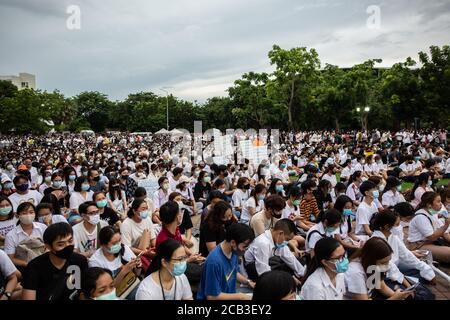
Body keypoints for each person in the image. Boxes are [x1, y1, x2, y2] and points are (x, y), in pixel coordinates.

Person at [22, 222, 88, 300]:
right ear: (48, 247)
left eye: (70, 241)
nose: (68, 246)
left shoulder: (80, 261)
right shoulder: (34, 267)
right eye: (60, 244)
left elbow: (84, 291)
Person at [371, 210, 436, 285]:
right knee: (412, 288)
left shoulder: (392, 237)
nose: (400, 227)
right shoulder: (376, 242)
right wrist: (406, 283)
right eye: (397, 224)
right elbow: (391, 267)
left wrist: (427, 270)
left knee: (424, 273)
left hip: (394, 269)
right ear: (386, 226)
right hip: (384, 276)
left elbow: (407, 255)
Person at [197, 223, 255, 300]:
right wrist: (241, 297)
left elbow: (233, 272)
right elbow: (212, 297)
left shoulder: (233, 251)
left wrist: (248, 282)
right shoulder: (214, 261)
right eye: (244, 246)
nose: (245, 250)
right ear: (233, 242)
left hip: (230, 293)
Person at [344, 237, 414, 300]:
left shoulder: (372, 265)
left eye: (388, 261)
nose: (386, 266)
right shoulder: (355, 273)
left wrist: (400, 296)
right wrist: (395, 297)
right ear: (370, 259)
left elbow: (381, 286)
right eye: (383, 263)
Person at [88, 226, 141, 299]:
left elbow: (137, 274)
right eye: (114, 243)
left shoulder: (123, 248)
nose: (118, 245)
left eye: (119, 240)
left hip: (132, 285)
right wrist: (123, 271)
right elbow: (106, 291)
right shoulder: (95, 262)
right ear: (103, 245)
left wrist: (138, 265)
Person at [407, 191, 450, 263]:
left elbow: (443, 232)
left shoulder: (433, 212)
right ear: (429, 204)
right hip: (419, 246)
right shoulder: (421, 216)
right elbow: (432, 236)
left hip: (433, 241)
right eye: (438, 202)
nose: (441, 204)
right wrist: (446, 225)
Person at [4, 202, 47, 270]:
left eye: (31, 212)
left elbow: (49, 246)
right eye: (24, 213)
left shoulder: (43, 227)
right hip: (25, 267)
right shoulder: (11, 235)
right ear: (18, 215)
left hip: (45, 263)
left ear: (35, 214)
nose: (28, 215)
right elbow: (10, 258)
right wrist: (28, 264)